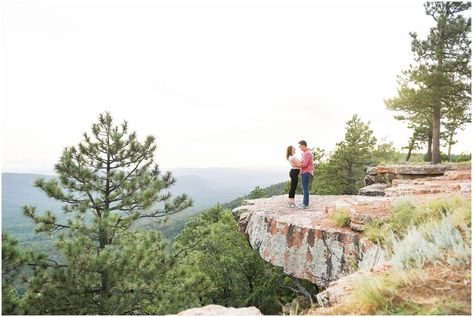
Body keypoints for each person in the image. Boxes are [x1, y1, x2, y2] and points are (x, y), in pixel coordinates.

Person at [297, 140, 314, 208]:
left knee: (305, 188)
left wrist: (297, 165)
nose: (299, 148)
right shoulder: (305, 153)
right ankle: (304, 203)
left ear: (303, 145)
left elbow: (304, 164)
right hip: (305, 172)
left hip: (306, 172)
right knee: (304, 188)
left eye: (300, 146)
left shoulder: (307, 153)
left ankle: (305, 204)